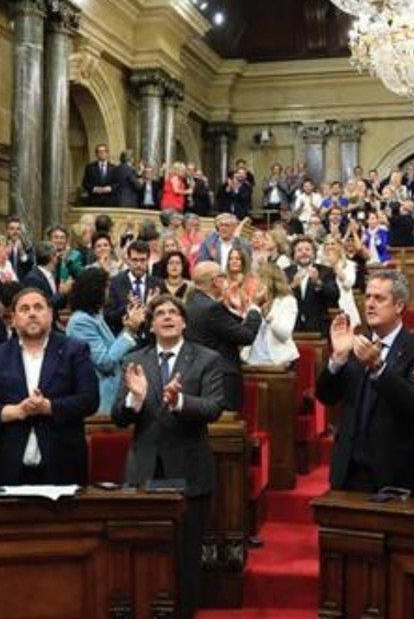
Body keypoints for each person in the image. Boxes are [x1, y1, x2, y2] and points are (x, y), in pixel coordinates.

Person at [113, 294, 225, 618]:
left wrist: (178, 402)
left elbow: (214, 408)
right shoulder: (135, 359)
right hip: (144, 471)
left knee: (186, 557)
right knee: (144, 554)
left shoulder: (206, 359)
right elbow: (120, 416)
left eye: (173, 312)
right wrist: (135, 398)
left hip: (189, 471)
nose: (166, 317)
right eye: (159, 313)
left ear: (184, 321)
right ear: (151, 323)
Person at [317, 271, 414, 496]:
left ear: (399, 306)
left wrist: (378, 367)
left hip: (397, 473)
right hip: (350, 470)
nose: (370, 304)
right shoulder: (355, 343)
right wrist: (337, 358)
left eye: (379, 298)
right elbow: (326, 396)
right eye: (368, 297)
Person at [0, 288, 98, 485]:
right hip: (9, 468)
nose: (32, 313)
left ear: (50, 314)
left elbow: (90, 400)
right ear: (13, 319)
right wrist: (13, 411)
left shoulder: (75, 350)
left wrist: (49, 407)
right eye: (24, 309)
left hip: (62, 467)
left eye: (38, 307)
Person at [185, 261, 261, 411]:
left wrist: (237, 310)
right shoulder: (212, 308)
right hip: (220, 378)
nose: (226, 281)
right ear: (216, 281)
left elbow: (226, 330)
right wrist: (253, 309)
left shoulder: (194, 303)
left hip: (201, 374)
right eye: (223, 276)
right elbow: (246, 336)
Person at [66, 268, 143, 415]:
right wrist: (129, 331)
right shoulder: (80, 322)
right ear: (94, 290)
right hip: (101, 397)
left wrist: (127, 328)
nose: (109, 291)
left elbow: (112, 349)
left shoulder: (95, 316)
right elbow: (105, 362)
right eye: (106, 287)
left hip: (114, 392)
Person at [242, 263, 299, 366]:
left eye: (258, 279)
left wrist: (267, 315)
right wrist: (254, 305)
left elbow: (284, 334)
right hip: (251, 359)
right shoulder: (252, 301)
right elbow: (244, 330)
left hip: (278, 360)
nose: (255, 284)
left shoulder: (287, 301)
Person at [283, 237, 340, 334]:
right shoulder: (285, 272)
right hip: (292, 326)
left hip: (318, 327)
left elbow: (335, 296)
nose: (304, 253)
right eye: (299, 250)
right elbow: (278, 297)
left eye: (308, 250)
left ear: (314, 254)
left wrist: (318, 282)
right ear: (293, 254)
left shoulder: (325, 271)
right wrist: (292, 286)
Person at [105, 240, 162, 329]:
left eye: (143, 260)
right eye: (135, 260)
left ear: (148, 260)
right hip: (124, 333)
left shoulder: (157, 284)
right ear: (128, 260)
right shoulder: (116, 282)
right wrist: (127, 308)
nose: (139, 264)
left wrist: (152, 306)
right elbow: (108, 316)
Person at [322, 238, 361, 328]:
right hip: (325, 305)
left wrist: (335, 266)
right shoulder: (319, 265)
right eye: (327, 244)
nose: (330, 247)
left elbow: (348, 284)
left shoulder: (349, 264)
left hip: (344, 303)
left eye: (333, 244)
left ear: (339, 247)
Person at [21, 241, 69, 311]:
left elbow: (59, 305)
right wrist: (61, 292)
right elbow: (42, 306)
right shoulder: (33, 279)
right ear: (51, 256)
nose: (58, 258)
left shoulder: (51, 275)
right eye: (56, 255)